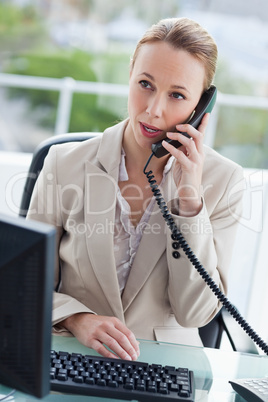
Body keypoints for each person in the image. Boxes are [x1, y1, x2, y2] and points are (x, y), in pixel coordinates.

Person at [27, 17, 244, 361]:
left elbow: (196, 314)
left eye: (177, 95)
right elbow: (24, 283)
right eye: (145, 84)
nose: (154, 110)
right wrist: (76, 318)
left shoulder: (225, 182)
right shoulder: (63, 163)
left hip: (169, 367)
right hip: (73, 353)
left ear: (201, 106)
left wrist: (189, 202)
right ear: (130, 75)